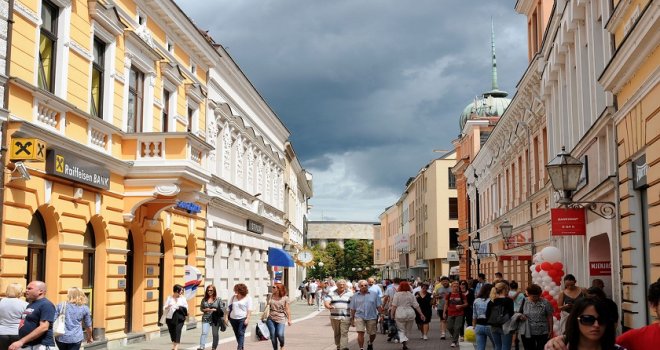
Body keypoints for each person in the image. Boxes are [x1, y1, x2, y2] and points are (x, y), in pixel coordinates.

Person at [545, 280, 660, 350]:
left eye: (602, 319)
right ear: (654, 305)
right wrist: (559, 341)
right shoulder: (633, 339)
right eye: (587, 319)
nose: (596, 325)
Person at [8, 281, 56, 350]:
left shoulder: (46, 305)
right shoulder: (30, 304)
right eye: (27, 288)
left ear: (40, 291)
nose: (26, 290)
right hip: (29, 345)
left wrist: (21, 341)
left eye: (30, 289)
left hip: (41, 346)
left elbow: (44, 327)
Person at [349, 280, 383, 350]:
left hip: (372, 316)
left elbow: (379, 306)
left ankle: (370, 342)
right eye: (362, 286)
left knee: (372, 333)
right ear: (358, 287)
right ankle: (361, 348)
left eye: (365, 285)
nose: (364, 287)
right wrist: (352, 318)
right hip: (359, 316)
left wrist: (381, 315)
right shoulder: (355, 296)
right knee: (360, 332)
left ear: (368, 286)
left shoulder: (374, 294)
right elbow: (353, 308)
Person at [391, 281, 425, 350]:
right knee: (407, 329)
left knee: (401, 329)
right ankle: (404, 342)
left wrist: (392, 314)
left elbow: (394, 306)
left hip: (400, 313)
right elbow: (416, 305)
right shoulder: (411, 295)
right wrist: (421, 314)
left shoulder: (397, 295)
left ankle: (403, 340)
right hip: (410, 313)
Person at [519, 284, 554, 350]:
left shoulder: (545, 302)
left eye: (537, 296)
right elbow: (519, 313)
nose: (536, 298)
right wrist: (521, 317)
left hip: (543, 331)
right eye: (533, 296)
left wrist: (551, 330)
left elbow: (550, 316)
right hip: (527, 331)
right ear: (528, 294)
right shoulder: (524, 301)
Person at [324, 279, 354, 350]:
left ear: (345, 285)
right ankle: (338, 346)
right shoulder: (331, 293)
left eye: (343, 284)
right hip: (334, 317)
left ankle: (343, 347)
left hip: (346, 317)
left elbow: (353, 306)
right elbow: (326, 302)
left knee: (344, 332)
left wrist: (353, 317)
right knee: (337, 333)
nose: (342, 286)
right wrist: (329, 306)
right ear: (337, 285)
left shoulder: (350, 294)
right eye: (340, 285)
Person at [486, 282, 514, 350]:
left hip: (494, 326)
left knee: (497, 346)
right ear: (505, 289)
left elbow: (487, 315)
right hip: (505, 326)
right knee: (506, 347)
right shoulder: (509, 300)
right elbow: (511, 313)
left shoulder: (491, 301)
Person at [0, 284, 28, 350]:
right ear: (19, 292)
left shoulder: (1, 302)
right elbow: (25, 320)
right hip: (17, 333)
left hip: (1, 333)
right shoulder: (25, 304)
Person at [264, 284, 291, 350]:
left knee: (280, 334)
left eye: (274, 287)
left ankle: (282, 345)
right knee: (273, 335)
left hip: (281, 318)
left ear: (279, 289)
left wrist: (289, 319)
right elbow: (267, 306)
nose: (272, 288)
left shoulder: (285, 298)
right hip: (270, 318)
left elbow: (287, 309)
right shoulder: (270, 296)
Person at [226, 283, 252, 350]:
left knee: (241, 332)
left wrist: (247, 319)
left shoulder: (248, 298)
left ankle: (239, 348)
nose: (235, 291)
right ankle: (241, 347)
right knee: (237, 334)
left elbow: (249, 310)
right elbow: (228, 308)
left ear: (241, 290)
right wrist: (226, 317)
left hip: (242, 318)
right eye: (235, 290)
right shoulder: (233, 297)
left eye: (236, 290)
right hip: (233, 319)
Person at [444, 280, 468, 348]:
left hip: (459, 313)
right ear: (451, 287)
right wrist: (444, 313)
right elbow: (446, 304)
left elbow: (466, 304)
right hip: (450, 313)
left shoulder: (462, 295)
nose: (456, 288)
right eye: (454, 286)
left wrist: (461, 306)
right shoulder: (448, 295)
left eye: (457, 286)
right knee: (449, 327)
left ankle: (454, 341)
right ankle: (455, 337)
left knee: (457, 327)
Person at [164, 284, 188, 350]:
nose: (182, 292)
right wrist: (168, 306)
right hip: (170, 318)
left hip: (180, 317)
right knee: (172, 332)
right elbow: (164, 307)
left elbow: (186, 308)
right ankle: (174, 344)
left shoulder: (183, 298)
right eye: (181, 290)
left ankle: (176, 347)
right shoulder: (169, 298)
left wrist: (179, 308)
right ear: (177, 290)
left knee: (177, 330)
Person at [199, 285, 222, 350]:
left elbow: (222, 309)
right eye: (208, 290)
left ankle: (214, 347)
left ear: (214, 291)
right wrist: (205, 310)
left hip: (215, 319)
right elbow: (201, 308)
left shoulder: (218, 299)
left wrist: (213, 310)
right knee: (204, 333)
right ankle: (201, 346)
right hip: (206, 318)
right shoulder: (204, 299)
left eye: (211, 290)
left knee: (215, 334)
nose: (209, 291)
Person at [473, 284, 495, 350]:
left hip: (479, 325)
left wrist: (474, 326)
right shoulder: (492, 300)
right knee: (497, 345)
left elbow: (474, 315)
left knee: (480, 347)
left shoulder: (476, 300)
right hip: (490, 325)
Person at [509, 280, 526, 350]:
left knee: (512, 326)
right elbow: (523, 303)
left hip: (512, 311)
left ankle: (512, 341)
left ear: (510, 287)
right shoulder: (521, 294)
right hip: (519, 311)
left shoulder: (508, 293)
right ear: (517, 286)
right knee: (517, 327)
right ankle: (514, 340)